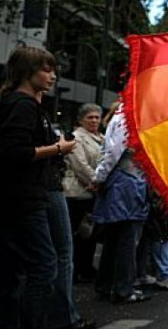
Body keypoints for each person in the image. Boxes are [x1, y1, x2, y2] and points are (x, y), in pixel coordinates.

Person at [0, 47, 76, 329]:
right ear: (27, 72)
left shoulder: (24, 104)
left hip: (22, 197)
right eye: (46, 70)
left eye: (53, 70)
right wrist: (57, 148)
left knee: (15, 270)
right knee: (43, 266)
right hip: (24, 199)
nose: (52, 76)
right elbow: (14, 151)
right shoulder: (22, 105)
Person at [91, 106, 151, 304]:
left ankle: (107, 285)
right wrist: (98, 177)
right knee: (125, 238)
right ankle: (123, 289)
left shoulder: (130, 116)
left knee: (115, 238)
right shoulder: (126, 118)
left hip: (126, 183)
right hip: (126, 184)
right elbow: (112, 153)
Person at [64, 103, 104, 282]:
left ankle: (86, 267)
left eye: (97, 117)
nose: (94, 120)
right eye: (90, 117)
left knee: (89, 234)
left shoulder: (102, 138)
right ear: (81, 120)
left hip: (93, 193)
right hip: (77, 193)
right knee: (77, 234)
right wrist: (96, 181)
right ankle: (75, 270)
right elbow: (80, 165)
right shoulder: (76, 138)